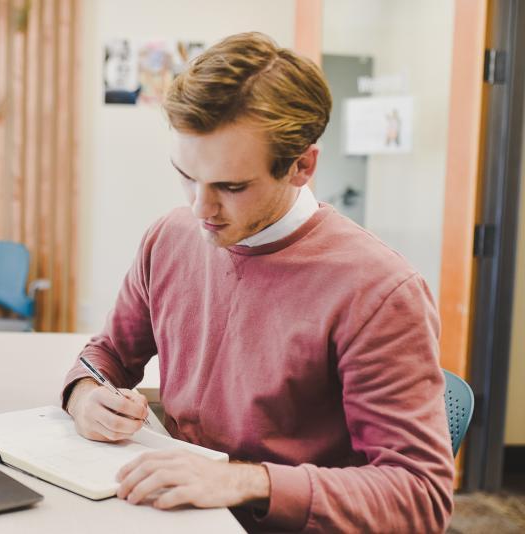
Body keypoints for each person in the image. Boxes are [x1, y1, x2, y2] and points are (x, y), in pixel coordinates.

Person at [61, 32, 454, 533]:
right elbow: (108, 355)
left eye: (231, 186)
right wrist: (85, 396)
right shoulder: (169, 237)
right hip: (174, 514)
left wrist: (246, 482)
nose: (200, 210)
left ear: (302, 167)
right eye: (187, 175)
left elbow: (420, 497)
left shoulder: (378, 291)